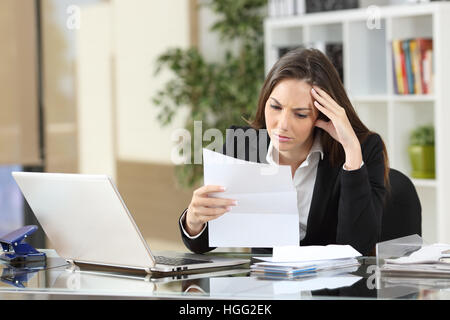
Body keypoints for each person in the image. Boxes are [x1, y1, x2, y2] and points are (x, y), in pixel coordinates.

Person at [178, 48, 389, 256]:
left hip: (330, 286)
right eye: (276, 107)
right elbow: (203, 243)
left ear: (323, 115)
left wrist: (352, 150)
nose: (282, 125)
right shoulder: (242, 145)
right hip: (263, 285)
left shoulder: (362, 149)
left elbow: (357, 247)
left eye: (300, 114)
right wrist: (194, 221)